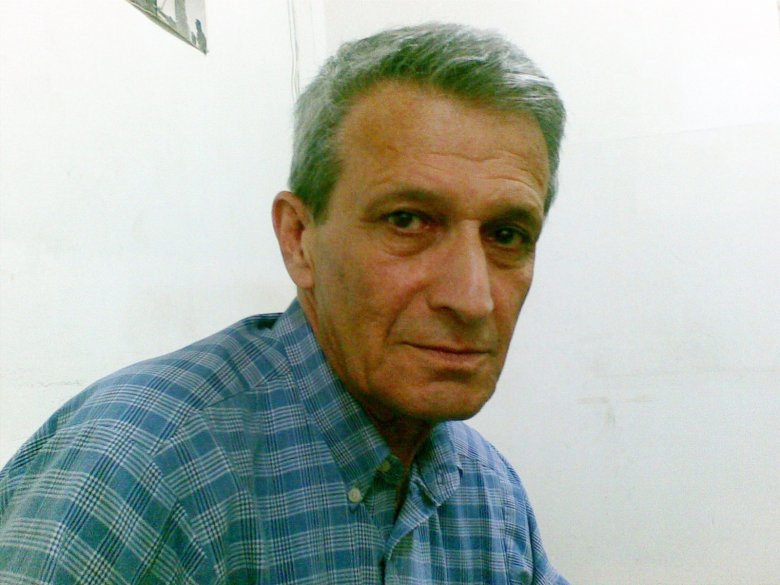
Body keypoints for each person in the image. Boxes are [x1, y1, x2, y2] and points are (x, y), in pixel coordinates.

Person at [0, 22, 568, 584]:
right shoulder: (143, 470)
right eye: (407, 221)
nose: (472, 299)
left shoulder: (488, 495)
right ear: (298, 239)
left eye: (507, 235)